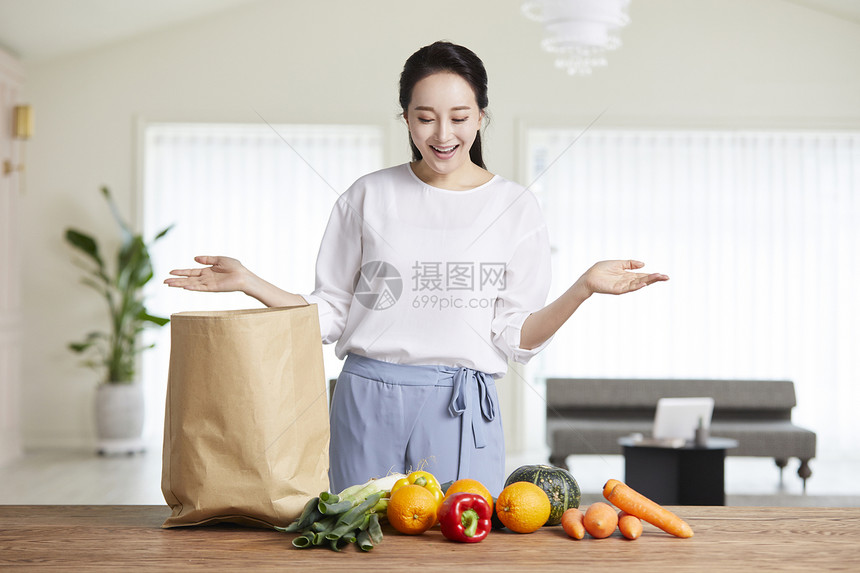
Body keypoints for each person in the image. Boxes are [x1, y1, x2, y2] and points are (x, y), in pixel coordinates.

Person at [165, 40, 668, 495]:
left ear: (481, 117)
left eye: (459, 116)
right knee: (361, 540)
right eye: (425, 117)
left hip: (460, 408)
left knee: (463, 547)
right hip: (365, 401)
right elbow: (328, 316)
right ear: (406, 118)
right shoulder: (368, 195)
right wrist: (249, 282)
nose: (443, 134)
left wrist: (583, 287)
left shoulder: (516, 207)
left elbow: (516, 337)